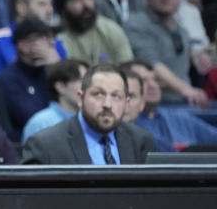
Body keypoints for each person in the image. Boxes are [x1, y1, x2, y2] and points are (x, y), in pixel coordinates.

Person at [22, 62, 156, 164]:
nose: (107, 104)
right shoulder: (45, 145)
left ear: (126, 103)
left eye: (116, 96)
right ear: (80, 98)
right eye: (98, 94)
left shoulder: (141, 141)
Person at [126, 0, 210, 108]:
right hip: (155, 105)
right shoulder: (136, 24)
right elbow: (154, 66)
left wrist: (199, 56)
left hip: (185, 103)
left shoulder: (180, 27)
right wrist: (187, 90)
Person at [124, 60, 217, 150]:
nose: (153, 85)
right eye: (143, 81)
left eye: (154, 79)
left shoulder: (176, 116)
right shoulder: (127, 125)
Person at [0, 17, 62, 135]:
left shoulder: (52, 70)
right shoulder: (7, 79)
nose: (36, 47)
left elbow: (75, 102)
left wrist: (57, 69)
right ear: (19, 45)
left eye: (45, 38)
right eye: (32, 40)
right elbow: (33, 118)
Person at [52, 0, 133, 66]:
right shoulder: (55, 39)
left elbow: (127, 67)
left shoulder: (110, 29)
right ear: (62, 7)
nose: (86, 4)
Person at [21, 59, 87, 142]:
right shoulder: (40, 124)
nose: (88, 87)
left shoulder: (93, 119)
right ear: (60, 87)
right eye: (82, 81)